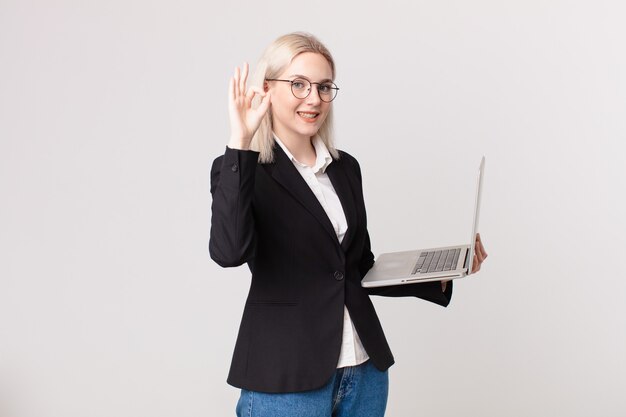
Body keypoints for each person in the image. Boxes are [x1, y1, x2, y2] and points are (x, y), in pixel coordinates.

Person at [209, 32, 488, 417]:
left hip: (364, 371)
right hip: (288, 378)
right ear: (267, 89)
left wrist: (442, 272)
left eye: (324, 87)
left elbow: (355, 267)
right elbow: (228, 251)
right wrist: (240, 141)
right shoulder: (240, 169)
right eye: (299, 85)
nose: (314, 99)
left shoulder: (344, 168)